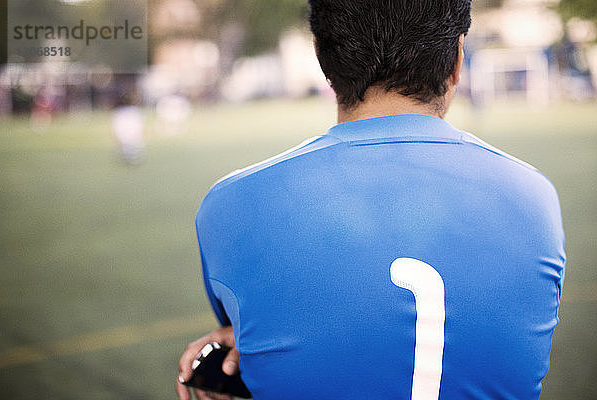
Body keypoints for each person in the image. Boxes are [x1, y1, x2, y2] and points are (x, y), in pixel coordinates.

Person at [177, 1, 566, 399]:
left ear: (324, 60)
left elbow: (259, 325)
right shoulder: (536, 197)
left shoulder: (230, 205)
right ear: (457, 61)